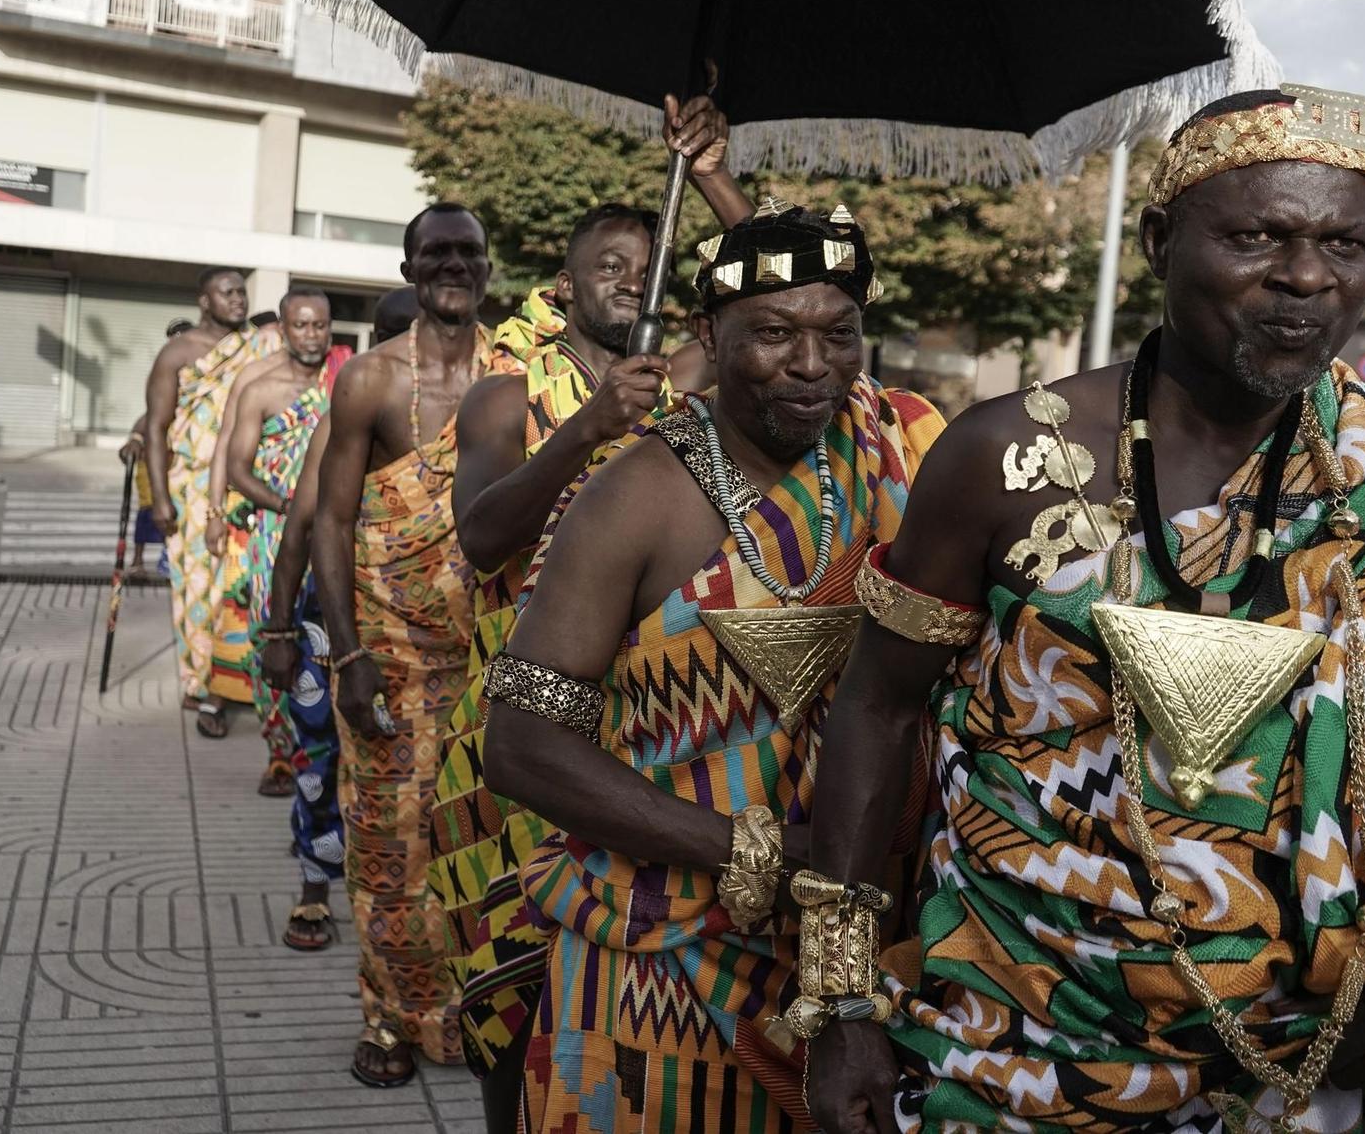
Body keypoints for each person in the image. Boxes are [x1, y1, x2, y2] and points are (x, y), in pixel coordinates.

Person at [803, 87, 1365, 1134]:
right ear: (1155, 241)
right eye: (1255, 235)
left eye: (1344, 244)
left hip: (1329, 1072)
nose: (1306, 277)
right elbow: (875, 711)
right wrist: (839, 1003)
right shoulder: (1001, 459)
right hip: (1020, 1053)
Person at [480, 202, 944, 1132]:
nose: (812, 366)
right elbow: (522, 747)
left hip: (857, 959)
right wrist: (758, 852)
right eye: (773, 333)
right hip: (655, 958)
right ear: (707, 332)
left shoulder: (902, 452)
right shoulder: (635, 497)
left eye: (839, 333)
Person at [430, 96, 741, 1131]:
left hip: (644, 739)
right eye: (607, 262)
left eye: (647, 261)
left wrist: (710, 179)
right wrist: (588, 430)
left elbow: (791, 306)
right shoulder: (503, 393)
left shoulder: (691, 377)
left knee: (624, 995)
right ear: (562, 287)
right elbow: (480, 536)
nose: (630, 276)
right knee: (509, 999)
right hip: (515, 744)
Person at [310, 205, 517, 1088]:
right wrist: (347, 657)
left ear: (486, 267)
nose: (454, 266)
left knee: (485, 839)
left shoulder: (519, 375)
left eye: (468, 252)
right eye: (437, 251)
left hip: (496, 655)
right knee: (389, 843)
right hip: (390, 656)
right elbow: (334, 516)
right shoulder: (368, 382)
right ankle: (391, 1016)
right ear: (407, 264)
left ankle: (478, 1011)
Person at [261, 287, 419, 954]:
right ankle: (315, 888)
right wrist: (278, 630)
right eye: (400, 338)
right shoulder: (348, 410)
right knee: (321, 753)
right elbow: (302, 526)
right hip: (335, 618)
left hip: (428, 622)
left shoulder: (480, 405)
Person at [201, 288, 348, 775]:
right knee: (275, 632)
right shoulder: (260, 388)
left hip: (338, 527)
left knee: (332, 632)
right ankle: (281, 750)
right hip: (276, 530)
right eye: (301, 325)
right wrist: (286, 507)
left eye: (320, 325)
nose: (312, 334)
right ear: (282, 330)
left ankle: (330, 743)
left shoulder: (347, 381)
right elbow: (239, 466)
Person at [141, 268, 280, 722]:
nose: (239, 300)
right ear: (205, 301)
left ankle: (240, 677)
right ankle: (200, 682)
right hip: (192, 484)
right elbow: (157, 428)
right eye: (228, 292)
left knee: (240, 585)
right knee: (197, 588)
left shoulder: (260, 345)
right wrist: (160, 497)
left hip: (247, 482)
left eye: (242, 292)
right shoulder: (176, 353)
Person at [119, 321, 196, 579]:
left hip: (195, 462)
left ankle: (175, 559)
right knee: (151, 509)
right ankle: (139, 560)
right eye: (173, 339)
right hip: (163, 458)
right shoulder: (167, 368)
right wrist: (135, 438)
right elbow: (152, 415)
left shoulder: (208, 367)